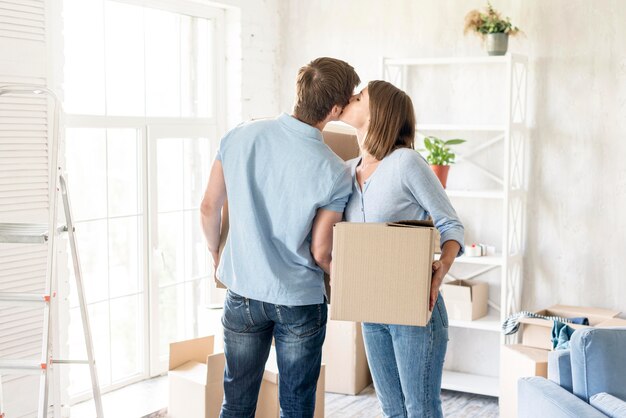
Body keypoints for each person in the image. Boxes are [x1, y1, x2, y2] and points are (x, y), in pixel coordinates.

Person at [200, 57, 360, 418]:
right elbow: (321, 251)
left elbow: (209, 207)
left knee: (237, 402)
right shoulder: (335, 169)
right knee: (297, 406)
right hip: (299, 301)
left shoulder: (240, 135)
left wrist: (216, 253)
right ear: (335, 108)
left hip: (243, 292)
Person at [339, 80, 465, 418]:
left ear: (378, 112)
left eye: (360, 95)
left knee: (420, 409)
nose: (352, 97)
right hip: (371, 308)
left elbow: (450, 224)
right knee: (392, 409)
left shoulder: (406, 163)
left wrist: (443, 267)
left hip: (415, 309)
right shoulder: (348, 171)